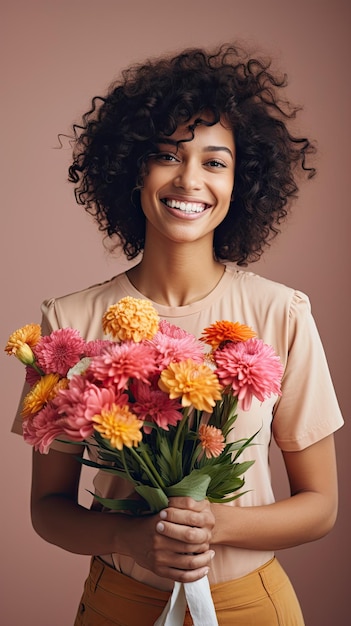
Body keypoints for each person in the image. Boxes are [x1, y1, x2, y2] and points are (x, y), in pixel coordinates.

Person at [12, 44, 343, 625]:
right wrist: (134, 540)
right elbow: (47, 509)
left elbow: (321, 508)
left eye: (215, 162)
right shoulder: (69, 322)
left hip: (251, 607)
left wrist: (218, 524)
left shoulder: (282, 312)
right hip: (119, 605)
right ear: (133, 168)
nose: (189, 179)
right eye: (167, 156)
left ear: (241, 183)